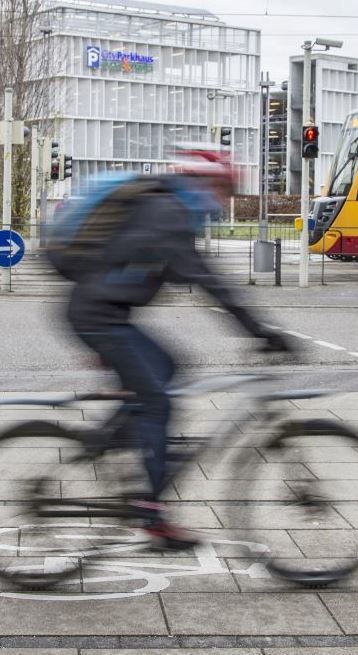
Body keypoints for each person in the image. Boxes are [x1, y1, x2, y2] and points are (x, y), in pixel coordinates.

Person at [61, 146, 294, 550]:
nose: (223, 201)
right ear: (200, 183)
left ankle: (109, 442)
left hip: (102, 312)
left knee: (169, 365)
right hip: (98, 316)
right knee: (158, 402)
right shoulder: (167, 214)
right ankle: (151, 515)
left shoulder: (165, 209)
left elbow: (196, 276)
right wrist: (260, 331)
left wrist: (254, 327)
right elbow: (209, 281)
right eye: (222, 190)